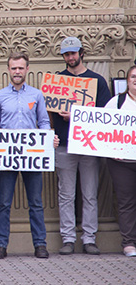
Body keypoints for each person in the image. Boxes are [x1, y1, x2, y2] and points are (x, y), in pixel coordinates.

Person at [0, 52, 59, 259]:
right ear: (9, 70)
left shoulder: (36, 95)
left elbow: (43, 122)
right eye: (13, 68)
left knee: (35, 202)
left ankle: (40, 245)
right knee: (4, 203)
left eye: (20, 68)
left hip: (32, 155)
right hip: (7, 156)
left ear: (27, 69)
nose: (17, 71)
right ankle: (0, 245)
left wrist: (48, 139)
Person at [52, 37, 111, 256]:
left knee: (89, 194)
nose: (70, 57)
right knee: (66, 194)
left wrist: (75, 116)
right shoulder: (57, 81)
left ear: (81, 53)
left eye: (73, 53)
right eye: (66, 54)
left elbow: (105, 115)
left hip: (89, 146)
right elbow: (46, 112)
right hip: (64, 145)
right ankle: (68, 239)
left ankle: (89, 239)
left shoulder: (97, 81)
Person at [104, 64, 136, 257]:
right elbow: (103, 131)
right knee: (126, 202)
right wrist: (111, 149)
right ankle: (129, 242)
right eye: (133, 76)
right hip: (122, 162)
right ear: (127, 80)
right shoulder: (116, 102)